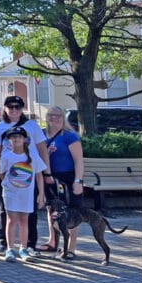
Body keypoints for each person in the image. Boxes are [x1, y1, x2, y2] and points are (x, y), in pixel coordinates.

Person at [0, 95, 51, 258]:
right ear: (5, 108)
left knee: (29, 211)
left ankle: (29, 244)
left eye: (17, 107)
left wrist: (47, 172)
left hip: (29, 172)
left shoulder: (31, 125)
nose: (14, 110)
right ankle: (4, 243)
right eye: (11, 107)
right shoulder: (0, 127)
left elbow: (42, 148)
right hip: (9, 174)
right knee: (6, 210)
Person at [38, 106, 85, 257]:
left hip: (68, 177)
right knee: (52, 209)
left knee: (71, 210)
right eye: (51, 115)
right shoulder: (42, 134)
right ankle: (53, 241)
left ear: (63, 117)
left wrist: (78, 180)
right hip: (49, 176)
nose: (54, 118)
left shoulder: (69, 136)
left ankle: (71, 247)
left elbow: (78, 160)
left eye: (58, 115)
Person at [0, 126, 47, 262]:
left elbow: (39, 175)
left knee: (24, 221)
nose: (17, 139)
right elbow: (2, 173)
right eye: (14, 137)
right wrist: (8, 185)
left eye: (19, 137)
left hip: (27, 194)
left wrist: (41, 193)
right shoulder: (7, 156)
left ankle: (23, 248)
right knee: (11, 220)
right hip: (11, 194)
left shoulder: (31, 156)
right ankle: (10, 248)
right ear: (9, 141)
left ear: (25, 140)